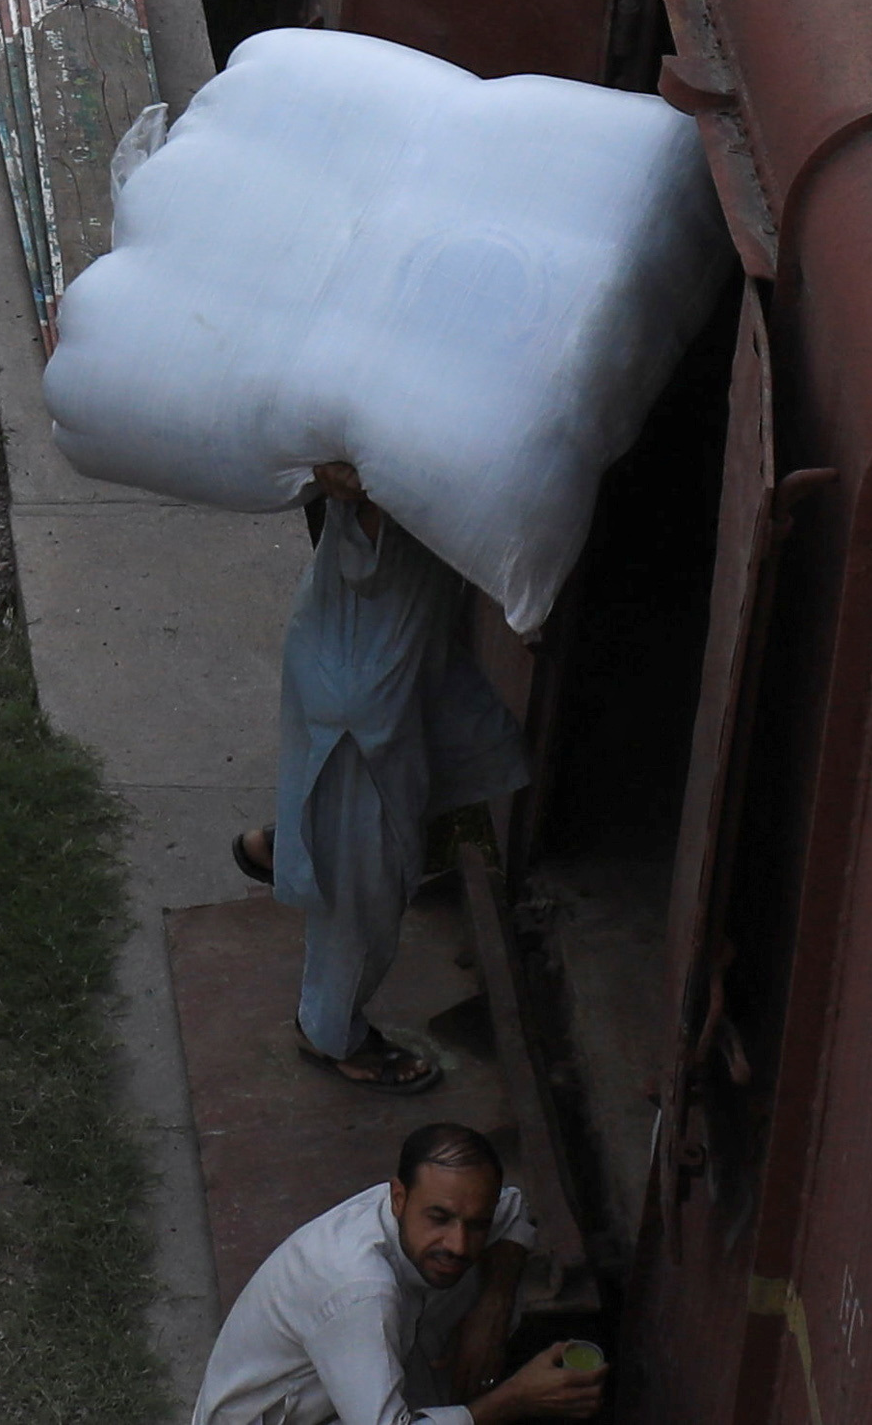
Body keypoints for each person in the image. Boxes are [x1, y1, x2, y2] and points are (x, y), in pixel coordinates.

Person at [237, 464, 527, 1091]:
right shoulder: (388, 474)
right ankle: (329, 1032)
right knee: (365, 885)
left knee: (455, 751)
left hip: (370, 665)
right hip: (363, 711)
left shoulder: (385, 465)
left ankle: (290, 841)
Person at [191, 1120, 599, 1425]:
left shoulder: (416, 1208)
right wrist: (516, 1398)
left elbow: (513, 1210)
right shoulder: (360, 1290)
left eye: (476, 1223)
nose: (458, 1243)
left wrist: (490, 1311)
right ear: (399, 1197)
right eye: (439, 1218)